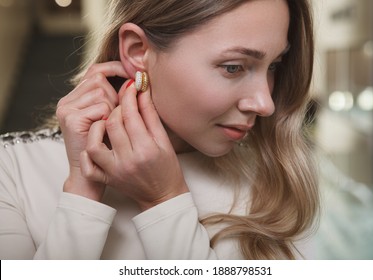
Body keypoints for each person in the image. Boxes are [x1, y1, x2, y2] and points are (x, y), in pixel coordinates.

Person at [0, 0, 318, 259]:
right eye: (233, 67)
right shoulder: (10, 169)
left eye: (274, 66)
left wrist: (164, 201)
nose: (265, 103)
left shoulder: (275, 181)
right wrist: (83, 189)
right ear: (138, 52)